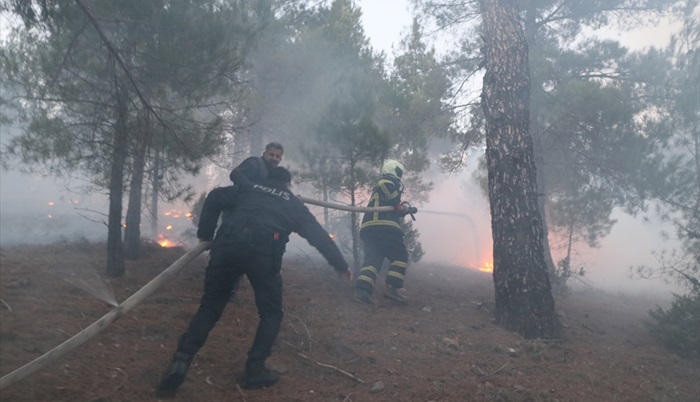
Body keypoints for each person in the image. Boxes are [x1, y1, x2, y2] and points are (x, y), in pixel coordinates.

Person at [156, 166, 351, 395]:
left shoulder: (248, 188)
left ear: (268, 179)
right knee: (271, 313)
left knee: (209, 309)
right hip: (262, 251)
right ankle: (255, 370)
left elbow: (215, 196)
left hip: (226, 245)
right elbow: (318, 235)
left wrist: (206, 233)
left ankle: (181, 360)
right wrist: (340, 265)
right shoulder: (292, 202)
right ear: (288, 185)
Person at [228, 141, 284, 303]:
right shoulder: (255, 163)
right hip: (238, 216)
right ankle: (228, 291)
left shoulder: (275, 174)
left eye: (278, 156)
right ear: (265, 153)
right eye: (271, 154)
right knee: (233, 253)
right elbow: (235, 174)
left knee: (252, 254)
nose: (274, 158)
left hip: (258, 221)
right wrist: (253, 189)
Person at [354, 159, 417, 304]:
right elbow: (388, 192)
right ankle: (392, 289)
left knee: (373, 261)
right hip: (384, 227)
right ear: (393, 171)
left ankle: (362, 292)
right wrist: (399, 205)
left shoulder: (384, 190)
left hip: (370, 229)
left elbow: (394, 207)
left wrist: (404, 210)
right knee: (400, 256)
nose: (400, 177)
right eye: (399, 173)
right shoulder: (386, 181)